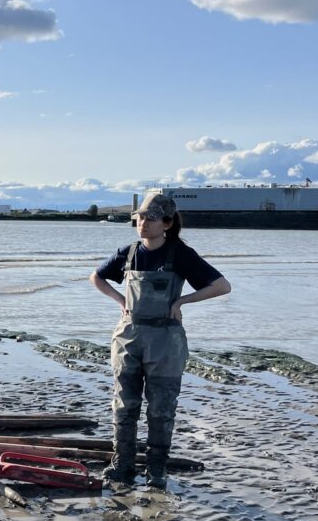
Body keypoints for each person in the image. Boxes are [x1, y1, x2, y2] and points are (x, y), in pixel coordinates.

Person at [90, 193, 231, 488]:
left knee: (161, 408)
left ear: (166, 223)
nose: (142, 223)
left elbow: (221, 285)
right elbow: (97, 277)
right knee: (124, 405)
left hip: (166, 342)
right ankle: (123, 465)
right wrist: (119, 301)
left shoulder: (179, 254)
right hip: (128, 337)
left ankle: (156, 469)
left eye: (150, 218)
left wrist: (182, 301)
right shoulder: (128, 253)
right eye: (140, 217)